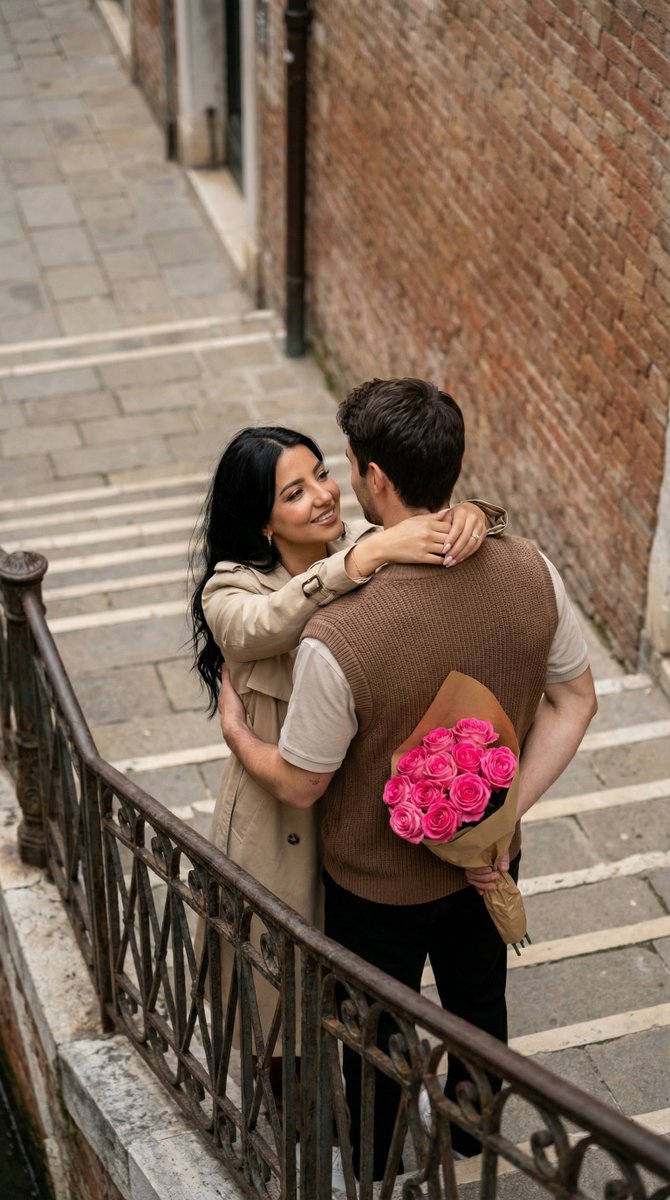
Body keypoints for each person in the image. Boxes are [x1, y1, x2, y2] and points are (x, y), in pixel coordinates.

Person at [219, 382, 598, 1179]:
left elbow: (298, 787)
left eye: (345, 469)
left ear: (376, 478)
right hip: (490, 864)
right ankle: (470, 1140)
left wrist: (234, 735)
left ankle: (379, 1164)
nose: (337, 488)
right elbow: (577, 701)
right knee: (479, 1011)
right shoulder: (535, 569)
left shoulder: (337, 637)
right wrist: (498, 816)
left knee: (378, 1038)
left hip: (373, 892)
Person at [189, 423, 506, 1108]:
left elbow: (442, 524)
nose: (325, 497)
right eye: (294, 493)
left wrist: (478, 516)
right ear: (262, 520)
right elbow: (260, 625)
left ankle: (373, 1119)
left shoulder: (364, 551)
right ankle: (292, 1129)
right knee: (279, 993)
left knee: (367, 986)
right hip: (282, 819)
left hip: (355, 815)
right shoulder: (231, 588)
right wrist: (358, 563)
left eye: (322, 476)